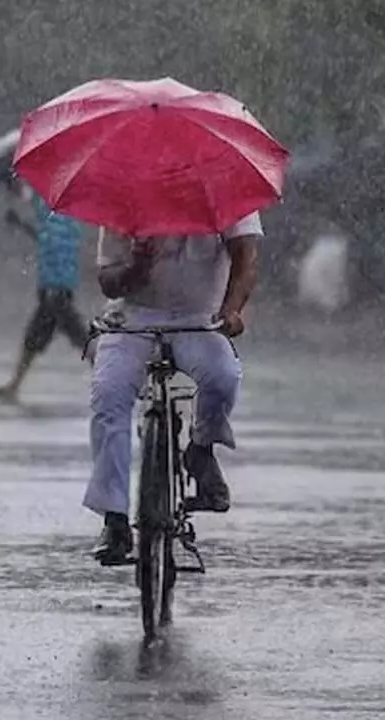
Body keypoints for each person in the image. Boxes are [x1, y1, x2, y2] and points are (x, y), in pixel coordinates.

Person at [87, 213, 264, 563]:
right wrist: (135, 268)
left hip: (200, 320)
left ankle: (201, 448)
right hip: (133, 320)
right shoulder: (126, 196)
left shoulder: (225, 190)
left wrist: (232, 310)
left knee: (223, 377)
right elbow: (107, 281)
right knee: (109, 394)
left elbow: (246, 258)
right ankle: (115, 518)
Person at [0, 181, 90, 402]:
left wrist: (17, 213)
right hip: (56, 287)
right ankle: (14, 386)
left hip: (55, 289)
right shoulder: (66, 215)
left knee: (80, 339)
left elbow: (49, 239)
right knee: (37, 339)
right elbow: (45, 239)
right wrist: (19, 223)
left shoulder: (53, 210)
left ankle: (117, 383)